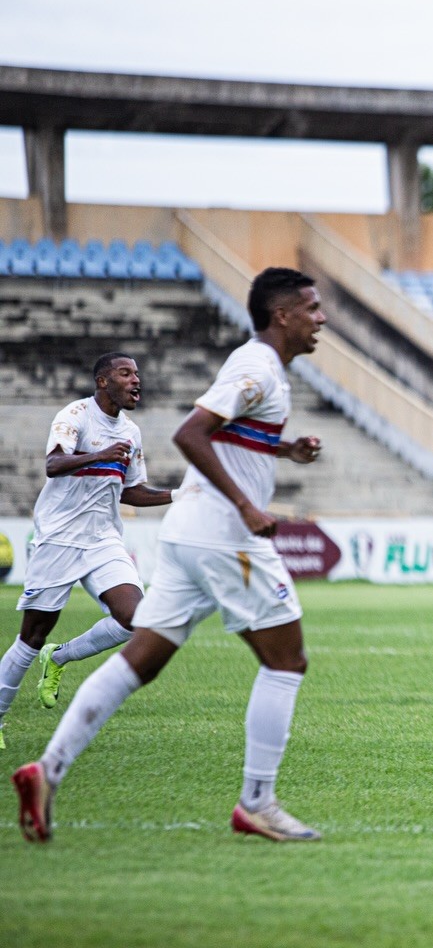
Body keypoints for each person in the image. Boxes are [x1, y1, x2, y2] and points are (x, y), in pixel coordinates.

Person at [12, 267, 327, 844]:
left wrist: (286, 449)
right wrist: (245, 505)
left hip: (188, 534)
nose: (321, 318)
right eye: (311, 308)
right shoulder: (258, 365)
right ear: (283, 315)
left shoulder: (260, 369)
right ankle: (256, 802)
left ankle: (46, 769)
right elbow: (192, 432)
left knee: (141, 659)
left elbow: (232, 434)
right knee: (287, 660)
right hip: (225, 535)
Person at [0, 353, 173, 750]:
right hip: (59, 538)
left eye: (137, 373)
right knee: (31, 636)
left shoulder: (130, 432)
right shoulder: (74, 415)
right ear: (102, 381)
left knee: (137, 618)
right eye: (125, 373)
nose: (136, 380)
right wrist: (99, 454)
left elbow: (131, 491)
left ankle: (59, 657)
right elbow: (54, 463)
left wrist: (180, 495)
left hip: (102, 539)